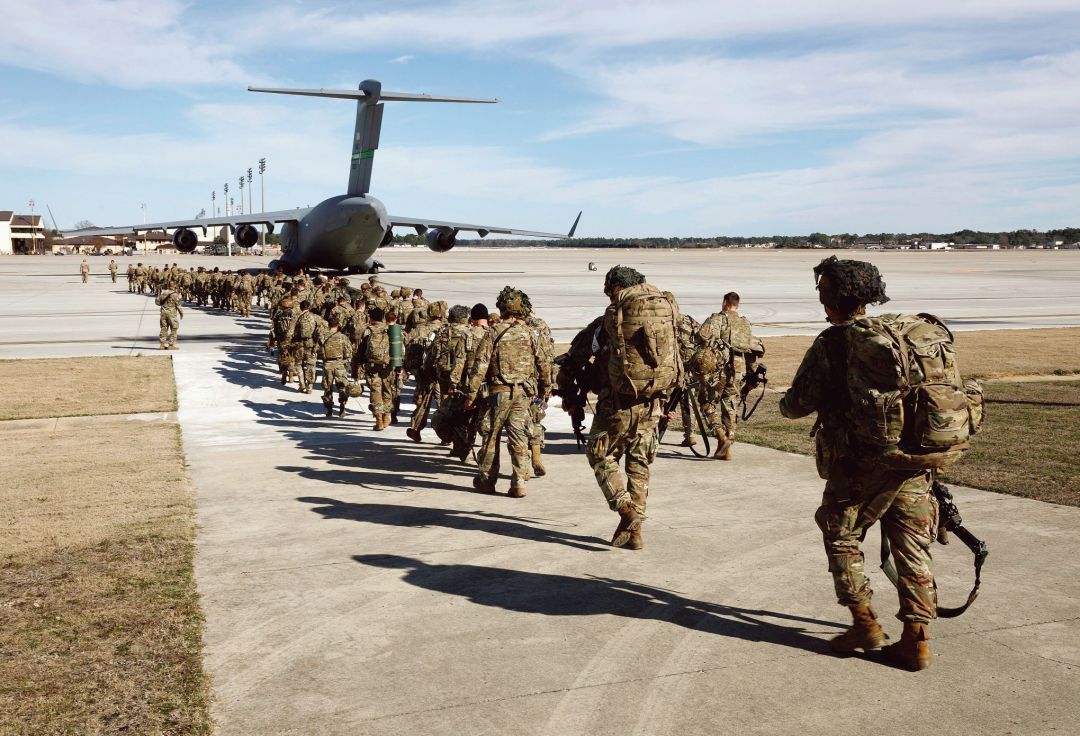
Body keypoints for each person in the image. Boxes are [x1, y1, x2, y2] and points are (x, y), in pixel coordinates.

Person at [779, 256, 936, 671]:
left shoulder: (833, 343)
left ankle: (864, 622)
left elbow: (796, 404)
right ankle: (917, 641)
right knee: (912, 545)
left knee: (840, 531)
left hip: (859, 462)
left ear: (829, 299)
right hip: (914, 461)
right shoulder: (900, 337)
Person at [580, 266, 681, 549]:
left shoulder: (612, 319)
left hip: (618, 405)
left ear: (614, 288)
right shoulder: (667, 313)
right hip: (653, 403)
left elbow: (586, 349)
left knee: (599, 454)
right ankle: (635, 534)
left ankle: (626, 509)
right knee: (639, 466)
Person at [465, 287, 551, 498]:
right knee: (519, 436)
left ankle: (487, 480)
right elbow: (543, 362)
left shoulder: (493, 333)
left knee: (491, 437)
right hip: (522, 393)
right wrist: (545, 388)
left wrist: (471, 394)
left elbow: (480, 366)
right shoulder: (530, 333)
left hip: (498, 392)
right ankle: (519, 481)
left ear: (502, 309)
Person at [361, 306, 395, 430]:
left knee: (375, 391)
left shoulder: (368, 330)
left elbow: (361, 350)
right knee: (387, 391)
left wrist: (356, 368)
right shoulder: (390, 329)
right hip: (387, 366)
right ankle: (386, 417)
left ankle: (379, 420)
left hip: (372, 366)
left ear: (371, 318)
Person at [318, 315, 354, 417]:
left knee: (327, 387)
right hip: (339, 364)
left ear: (328, 325)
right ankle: (342, 406)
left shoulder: (322, 337)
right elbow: (349, 353)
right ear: (338, 325)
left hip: (327, 364)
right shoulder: (343, 337)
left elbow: (318, 350)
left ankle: (329, 409)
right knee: (342, 386)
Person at [290, 300, 319, 393]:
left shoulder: (296, 317)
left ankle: (302, 384)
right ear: (309, 307)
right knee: (311, 365)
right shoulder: (315, 317)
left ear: (300, 307)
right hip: (310, 344)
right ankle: (309, 386)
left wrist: (287, 344)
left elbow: (290, 332)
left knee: (298, 364)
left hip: (298, 344)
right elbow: (325, 327)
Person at [156, 280, 184, 349]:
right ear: (174, 285)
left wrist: (159, 294)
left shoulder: (163, 293)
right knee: (174, 328)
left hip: (163, 312)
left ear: (168, 286)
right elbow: (178, 305)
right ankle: (171, 345)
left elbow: (157, 303)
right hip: (171, 313)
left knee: (163, 328)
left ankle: (162, 344)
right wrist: (181, 313)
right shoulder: (175, 294)